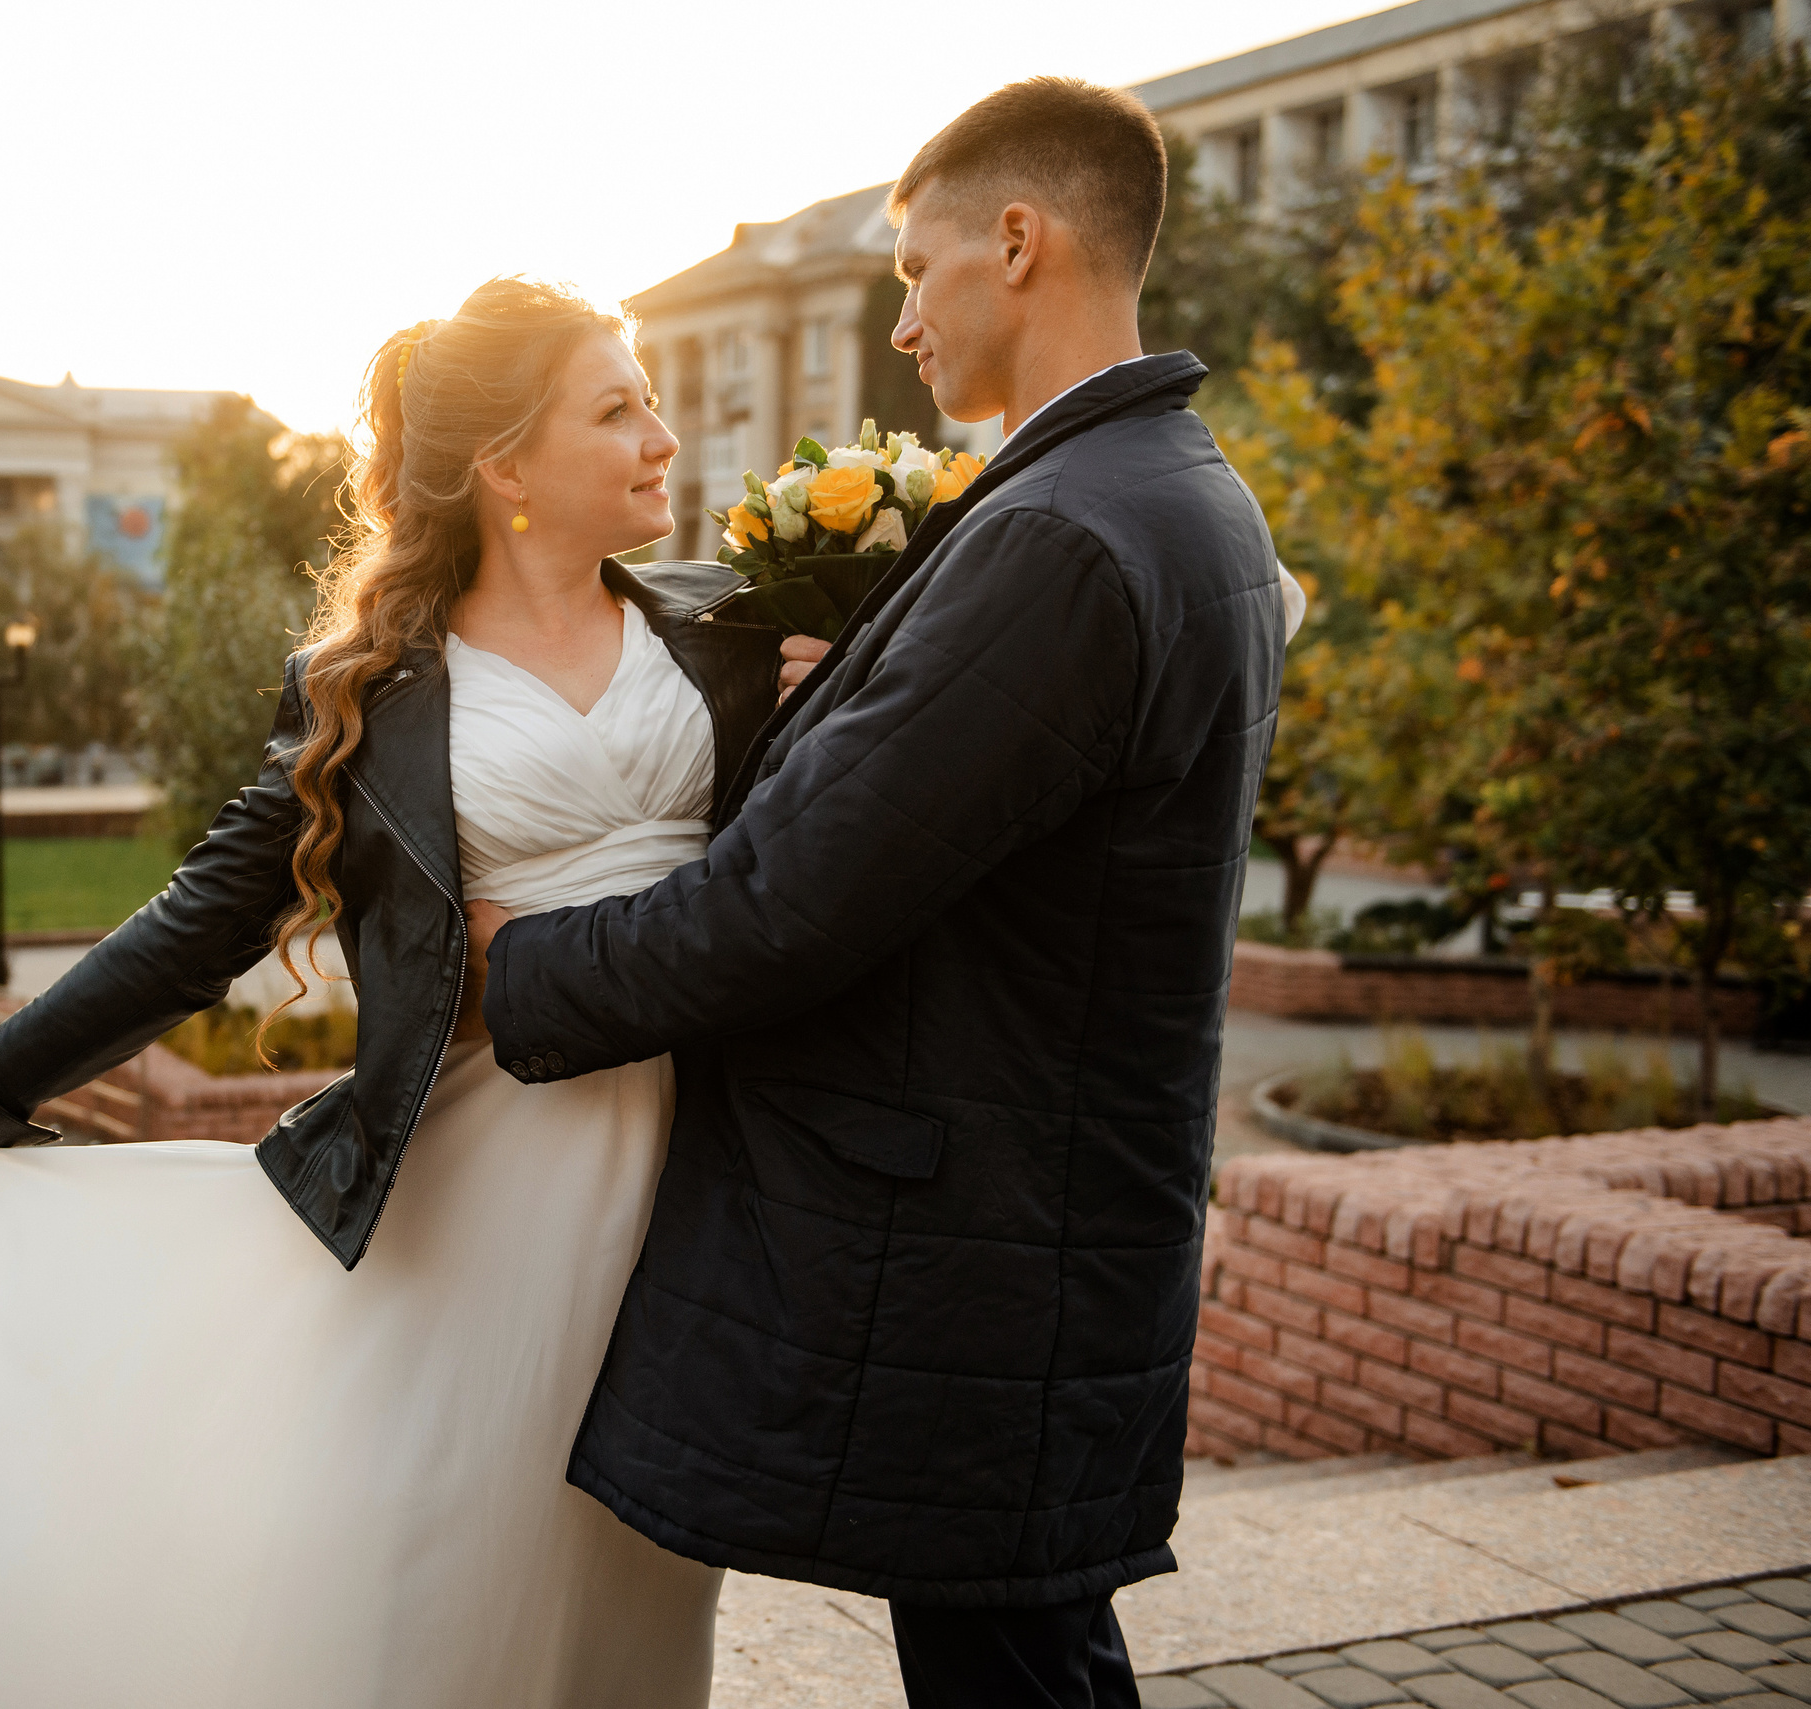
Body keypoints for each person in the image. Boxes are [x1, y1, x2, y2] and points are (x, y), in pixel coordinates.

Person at [0, 277, 782, 1708]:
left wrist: (839, 691)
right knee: (459, 1567)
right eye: (618, 407)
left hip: (708, 1188)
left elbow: (815, 870)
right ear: (506, 466)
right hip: (477, 1198)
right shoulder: (376, 692)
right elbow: (205, 919)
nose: (664, 434)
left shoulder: (733, 639)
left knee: (645, 1583)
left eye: (649, 401)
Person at [463, 79, 1290, 1709]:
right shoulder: (1178, 493)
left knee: (1017, 1668)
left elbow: (783, 907)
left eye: (915, 270)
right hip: (1053, 1218)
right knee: (1028, 1653)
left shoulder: (1058, 531)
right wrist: (865, 690)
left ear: (1017, 239)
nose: (902, 319)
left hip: (986, 1243)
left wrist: (518, 969)